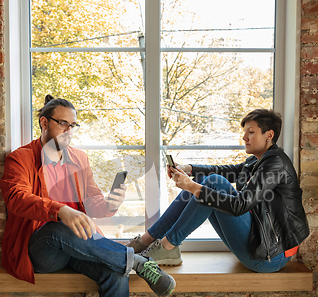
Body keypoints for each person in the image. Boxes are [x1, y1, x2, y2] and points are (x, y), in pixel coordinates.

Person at [0, 95, 175, 297]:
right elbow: (16, 197)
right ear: (44, 123)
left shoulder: (79, 159)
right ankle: (137, 260)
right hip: (43, 249)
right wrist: (59, 211)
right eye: (63, 123)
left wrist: (112, 201)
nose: (69, 129)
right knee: (59, 227)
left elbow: (94, 206)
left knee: (115, 273)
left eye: (73, 124)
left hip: (80, 246)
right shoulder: (21, 159)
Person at [127, 109, 310, 273]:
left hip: (270, 256)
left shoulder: (275, 163)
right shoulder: (257, 161)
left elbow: (240, 206)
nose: (244, 137)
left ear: (269, 135)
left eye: (251, 132)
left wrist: (190, 186)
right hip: (258, 242)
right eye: (244, 132)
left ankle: (167, 247)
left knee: (211, 183)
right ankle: (148, 239)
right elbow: (225, 170)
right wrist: (189, 169)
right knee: (205, 180)